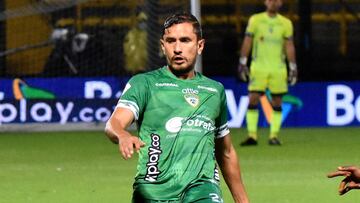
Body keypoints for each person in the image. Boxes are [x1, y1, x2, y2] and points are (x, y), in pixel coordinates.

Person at [105, 12, 249, 203]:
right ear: (163, 46)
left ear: (200, 46)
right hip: (153, 190)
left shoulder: (214, 91)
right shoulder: (144, 84)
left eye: (185, 40)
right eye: (171, 41)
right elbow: (114, 123)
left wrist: (243, 201)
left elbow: (225, 152)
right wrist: (122, 135)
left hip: (203, 189)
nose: (178, 48)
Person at [238, 0, 298, 146]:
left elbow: (289, 46)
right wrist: (242, 61)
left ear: (281, 3)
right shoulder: (256, 20)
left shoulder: (286, 23)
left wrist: (293, 66)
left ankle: (274, 136)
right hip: (259, 67)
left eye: (276, 0)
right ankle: (252, 135)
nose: (273, 3)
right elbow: (247, 41)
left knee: (277, 101)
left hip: (278, 68)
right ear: (265, 2)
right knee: (253, 98)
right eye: (270, 0)